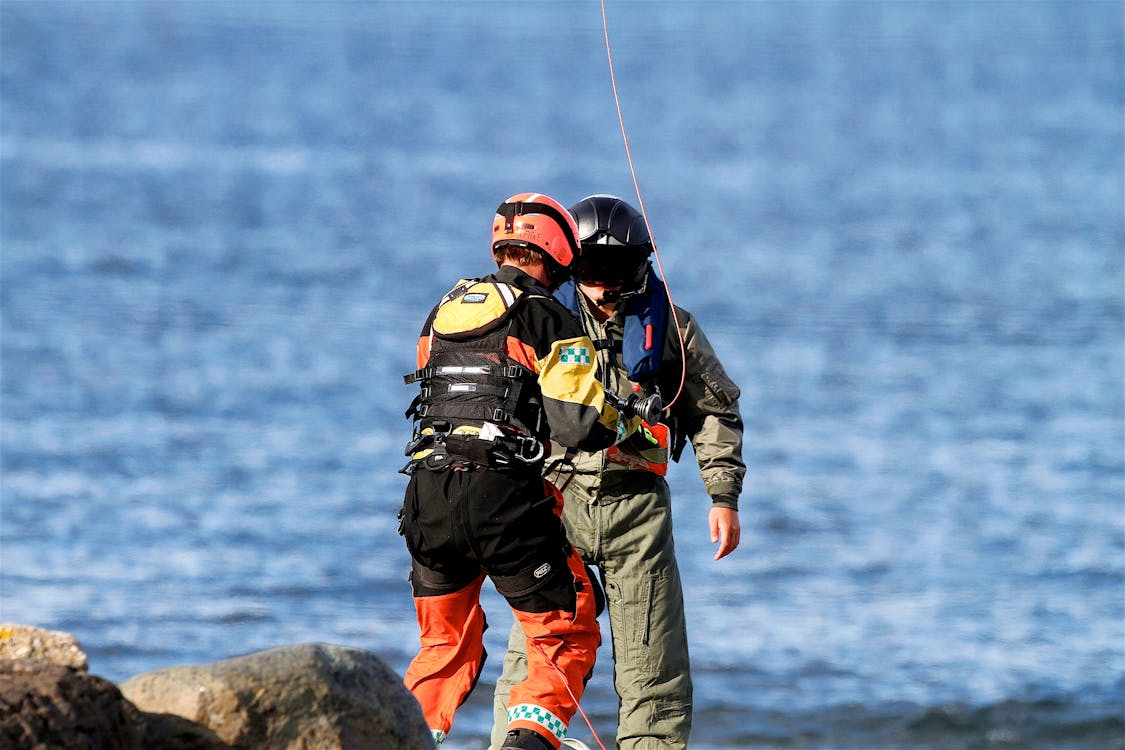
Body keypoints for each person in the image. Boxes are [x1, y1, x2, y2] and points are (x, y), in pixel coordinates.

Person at [399, 193, 662, 750]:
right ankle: (527, 745)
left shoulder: (443, 308)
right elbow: (578, 423)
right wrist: (630, 419)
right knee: (567, 630)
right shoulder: (549, 316)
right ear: (557, 250)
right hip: (501, 499)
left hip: (425, 499)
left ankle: (398, 736)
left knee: (445, 647)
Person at [490, 195, 746, 750]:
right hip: (554, 509)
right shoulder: (541, 320)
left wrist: (722, 496)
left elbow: (714, 410)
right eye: (591, 272)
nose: (603, 288)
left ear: (641, 265)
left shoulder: (673, 329)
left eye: (617, 272)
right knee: (533, 662)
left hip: (638, 517)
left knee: (655, 679)